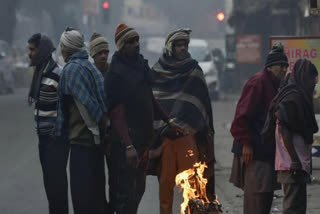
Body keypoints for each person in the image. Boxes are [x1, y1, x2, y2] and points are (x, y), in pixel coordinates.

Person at [104, 24, 176, 214]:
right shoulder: (115, 73)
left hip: (144, 141)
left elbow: (149, 98)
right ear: (121, 46)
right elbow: (116, 111)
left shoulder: (141, 66)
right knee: (125, 194)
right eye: (130, 42)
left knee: (138, 190)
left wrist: (168, 120)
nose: (136, 44)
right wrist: (128, 145)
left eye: (137, 40)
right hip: (126, 144)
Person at [151, 29, 215, 214]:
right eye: (178, 45)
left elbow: (203, 102)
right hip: (166, 139)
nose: (182, 48)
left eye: (185, 45)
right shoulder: (157, 70)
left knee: (193, 186)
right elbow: (152, 102)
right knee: (166, 186)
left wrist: (205, 131)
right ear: (170, 47)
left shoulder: (194, 69)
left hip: (188, 137)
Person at [229, 43, 289, 214]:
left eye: (286, 66)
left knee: (265, 198)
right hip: (253, 151)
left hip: (266, 150)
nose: (284, 69)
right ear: (270, 67)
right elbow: (241, 117)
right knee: (256, 199)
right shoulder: (258, 82)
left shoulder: (276, 83)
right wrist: (246, 144)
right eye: (280, 66)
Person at [54, 27, 107, 214]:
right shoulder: (90, 67)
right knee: (96, 197)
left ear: (67, 48)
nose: (61, 50)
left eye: (62, 46)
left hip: (81, 142)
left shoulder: (71, 70)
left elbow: (84, 106)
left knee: (82, 200)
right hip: (96, 143)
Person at [263, 59, 318, 214]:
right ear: (303, 77)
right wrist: (294, 159)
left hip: (297, 163)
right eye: (312, 78)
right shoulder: (292, 98)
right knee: (293, 207)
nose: (314, 83)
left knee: (298, 206)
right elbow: (284, 129)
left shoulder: (298, 96)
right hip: (291, 164)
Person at [27, 33, 69, 214]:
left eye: (32, 49)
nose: (29, 54)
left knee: (57, 187)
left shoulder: (58, 73)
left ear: (42, 50)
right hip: (43, 140)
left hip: (56, 140)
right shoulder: (40, 73)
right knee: (50, 188)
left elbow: (68, 106)